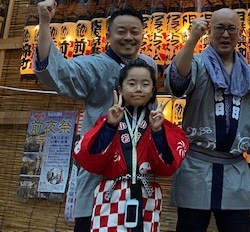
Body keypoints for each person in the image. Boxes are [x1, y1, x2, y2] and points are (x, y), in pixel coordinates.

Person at [34, 0, 157, 232]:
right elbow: (58, 72)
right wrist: (44, 22)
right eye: (121, 32)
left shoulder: (149, 65)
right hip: (99, 175)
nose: (128, 37)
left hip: (137, 176)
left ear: (143, 35)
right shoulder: (94, 66)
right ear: (108, 36)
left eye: (134, 32)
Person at [164, 8, 250, 232]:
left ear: (239, 33)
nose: (225, 35)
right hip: (196, 166)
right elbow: (177, 82)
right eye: (219, 28)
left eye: (231, 29)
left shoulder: (249, 74)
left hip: (235, 167)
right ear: (210, 31)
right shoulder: (197, 64)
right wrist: (192, 39)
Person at [73, 59, 188, 232]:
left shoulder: (160, 125)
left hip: (146, 196)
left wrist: (157, 131)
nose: (139, 89)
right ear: (120, 89)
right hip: (111, 195)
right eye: (132, 83)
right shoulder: (107, 121)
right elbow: (89, 159)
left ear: (153, 91)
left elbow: (167, 166)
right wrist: (110, 126)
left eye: (145, 84)